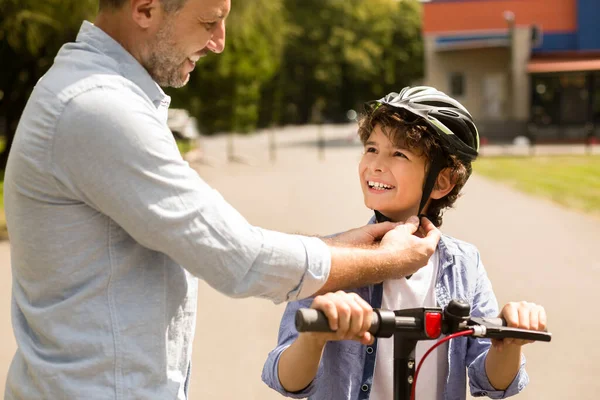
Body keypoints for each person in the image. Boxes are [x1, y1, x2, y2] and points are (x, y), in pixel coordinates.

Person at [3, 1, 441, 399]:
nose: (219, 42)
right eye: (209, 21)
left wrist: (351, 242)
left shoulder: (103, 94)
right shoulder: (98, 108)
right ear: (144, 9)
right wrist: (387, 260)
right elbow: (240, 257)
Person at [262, 86, 548, 400]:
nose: (375, 164)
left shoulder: (464, 264)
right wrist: (313, 338)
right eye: (371, 148)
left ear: (442, 182)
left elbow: (492, 382)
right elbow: (287, 380)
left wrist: (507, 342)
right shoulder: (331, 257)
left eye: (399, 153)